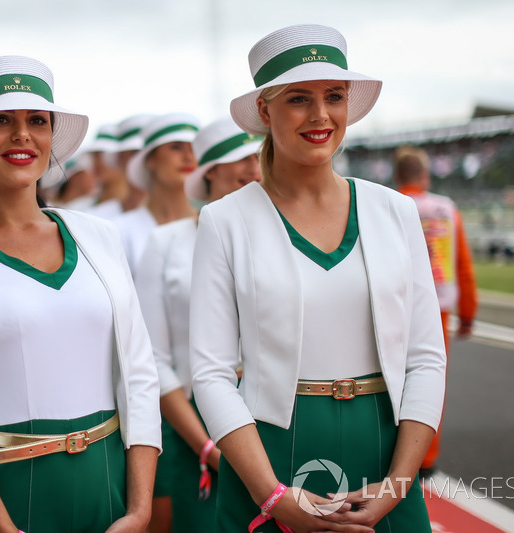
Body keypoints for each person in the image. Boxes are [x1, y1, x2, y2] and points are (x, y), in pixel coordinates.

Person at [189, 24, 446, 533]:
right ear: (265, 111)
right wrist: (274, 497)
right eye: (298, 99)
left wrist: (398, 483)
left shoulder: (395, 210)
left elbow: (425, 357)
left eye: (334, 96)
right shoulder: (224, 220)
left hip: (385, 450)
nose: (320, 115)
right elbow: (212, 374)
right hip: (272, 452)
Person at [0, 55, 161, 533]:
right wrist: (1, 528)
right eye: (0, 119)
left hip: (108, 482)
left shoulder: (99, 235)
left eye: (36, 120)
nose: (22, 134)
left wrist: (139, 510)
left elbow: (140, 376)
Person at [135, 116, 261, 533]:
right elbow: (153, 357)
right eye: (239, 158)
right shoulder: (165, 241)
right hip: (193, 425)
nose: (253, 167)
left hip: (273, 416)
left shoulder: (284, 237)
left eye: (259, 156)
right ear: (208, 173)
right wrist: (208, 449)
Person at [393, 145, 478, 478]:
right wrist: (468, 314)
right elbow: (463, 265)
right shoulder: (446, 208)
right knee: (429, 380)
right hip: (438, 309)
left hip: (394, 306)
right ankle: (424, 458)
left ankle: (388, 453)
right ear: (424, 176)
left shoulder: (384, 204)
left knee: (388, 382)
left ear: (397, 176)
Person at [116, 113, 200, 279]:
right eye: (176, 147)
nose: (188, 157)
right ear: (150, 159)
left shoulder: (212, 225)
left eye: (194, 148)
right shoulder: (121, 230)